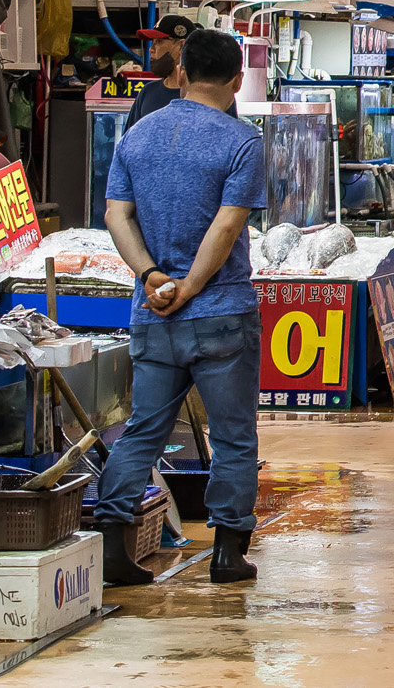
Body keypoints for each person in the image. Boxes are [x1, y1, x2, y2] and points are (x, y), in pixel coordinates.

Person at [98, 29, 266, 586]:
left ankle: (114, 552)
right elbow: (226, 226)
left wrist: (150, 277)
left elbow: (116, 216)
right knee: (233, 434)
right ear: (237, 81)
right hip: (220, 311)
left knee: (143, 428)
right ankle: (227, 553)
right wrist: (191, 287)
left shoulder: (136, 137)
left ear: (179, 74)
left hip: (153, 312)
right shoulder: (243, 142)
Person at [125, 14, 199, 129]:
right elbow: (130, 142)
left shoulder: (206, 95)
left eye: (159, 42)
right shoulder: (147, 92)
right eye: (153, 42)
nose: (151, 49)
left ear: (181, 46)